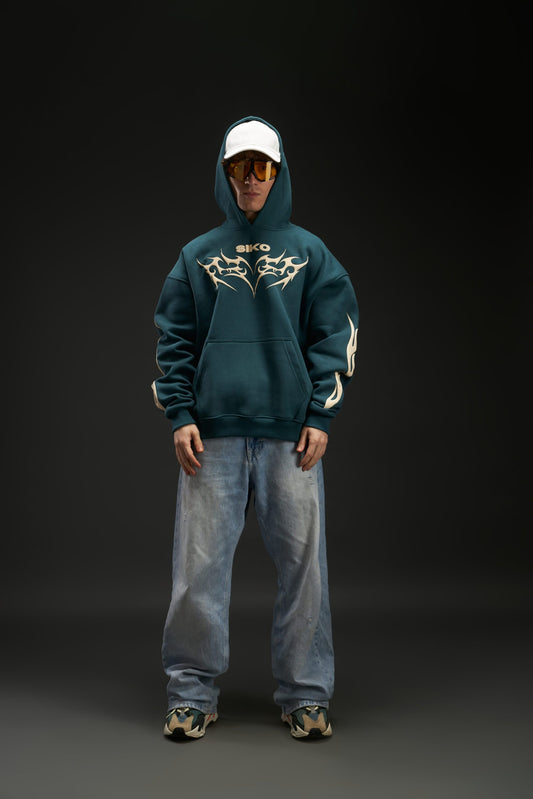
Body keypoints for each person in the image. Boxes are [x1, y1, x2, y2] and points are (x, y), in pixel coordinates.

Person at [151, 116, 359, 740]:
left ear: (278, 172)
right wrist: (180, 414)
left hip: (290, 436)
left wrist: (320, 413)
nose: (250, 179)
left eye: (262, 166)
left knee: (304, 568)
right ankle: (190, 692)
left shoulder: (310, 252)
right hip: (210, 436)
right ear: (225, 173)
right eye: (239, 166)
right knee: (197, 570)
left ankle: (306, 693)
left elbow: (336, 331)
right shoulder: (197, 255)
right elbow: (174, 339)